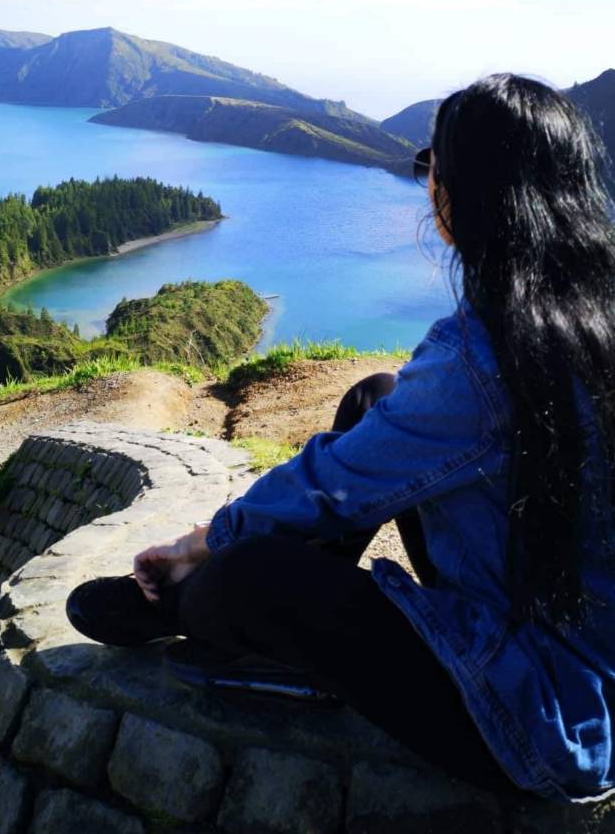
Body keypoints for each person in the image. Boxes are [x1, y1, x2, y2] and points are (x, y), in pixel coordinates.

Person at [66, 73, 615, 804]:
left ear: (461, 197)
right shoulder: (591, 315)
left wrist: (202, 544)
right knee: (374, 399)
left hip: (546, 714)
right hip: (566, 637)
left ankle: (184, 605)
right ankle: (202, 595)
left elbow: (332, 482)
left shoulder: (480, 358)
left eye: (432, 166)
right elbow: (367, 458)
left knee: (247, 576)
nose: (427, 183)